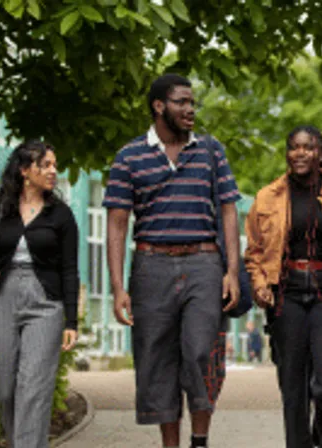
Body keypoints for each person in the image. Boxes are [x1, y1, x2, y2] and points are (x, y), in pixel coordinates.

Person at [103, 73, 242, 448]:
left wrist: (232, 270)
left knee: (200, 352)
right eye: (181, 102)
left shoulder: (211, 150)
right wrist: (117, 289)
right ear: (159, 106)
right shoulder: (129, 157)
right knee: (157, 360)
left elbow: (229, 210)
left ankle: (200, 439)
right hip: (151, 266)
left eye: (192, 103)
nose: (190, 110)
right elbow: (116, 225)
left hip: (203, 263)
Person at [245, 125, 322, 448]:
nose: (300, 153)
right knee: (293, 388)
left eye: (308, 147)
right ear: (287, 153)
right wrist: (259, 283)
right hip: (286, 297)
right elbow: (253, 251)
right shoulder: (267, 197)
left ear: (320, 153)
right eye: (294, 147)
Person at [0, 140, 79, 447]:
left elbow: (70, 269)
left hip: (46, 303)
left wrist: (71, 321)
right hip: (4, 295)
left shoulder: (62, 215)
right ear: (25, 170)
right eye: (46, 165)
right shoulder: (0, 207)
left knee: (34, 389)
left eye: (55, 165)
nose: (53, 171)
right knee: (4, 387)